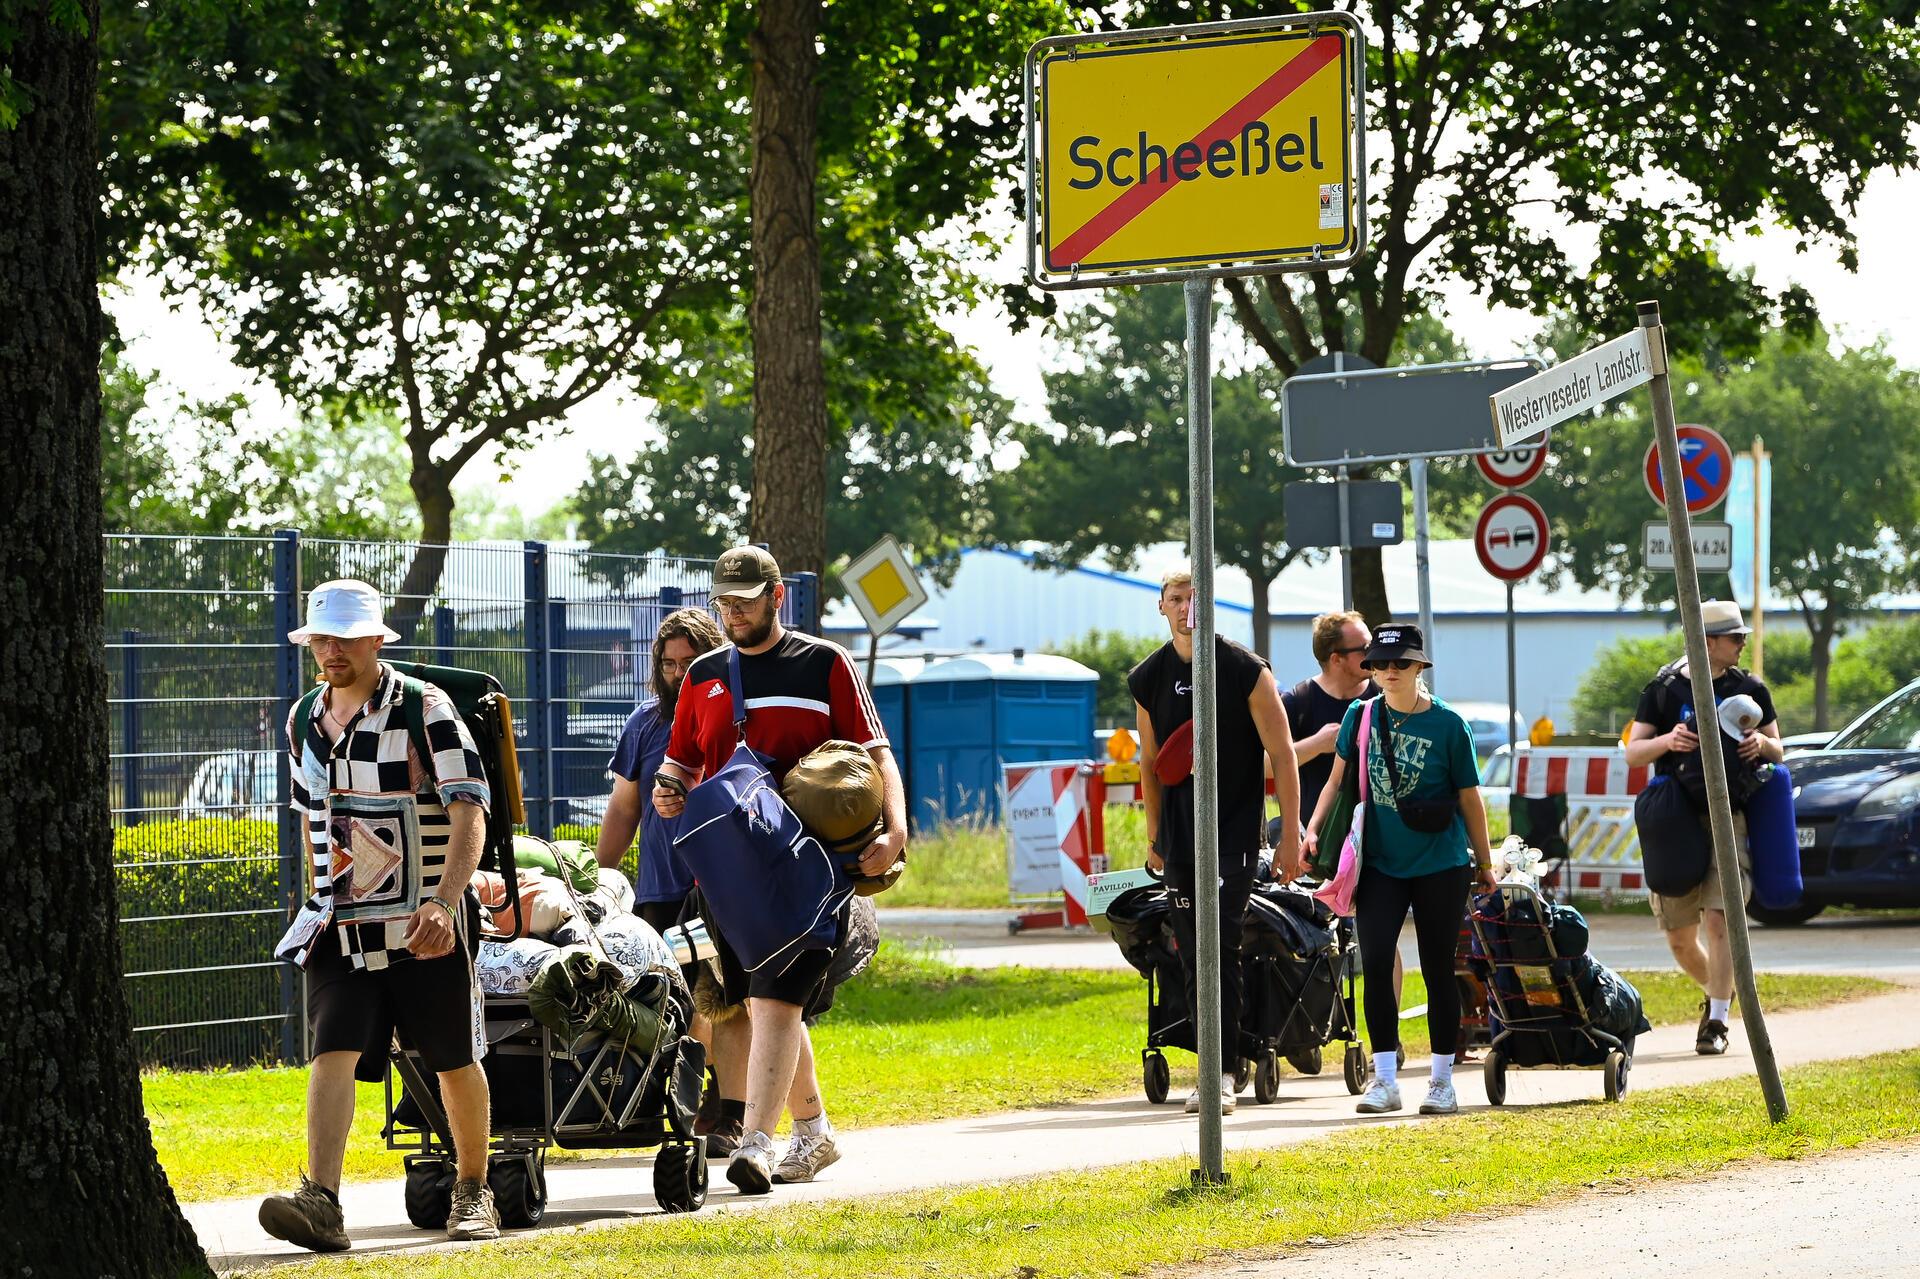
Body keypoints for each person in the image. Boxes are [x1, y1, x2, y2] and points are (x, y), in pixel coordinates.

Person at [651, 546, 907, 1195]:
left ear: (776, 597)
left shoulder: (825, 663)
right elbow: (680, 760)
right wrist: (667, 786)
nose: (733, 612)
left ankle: (758, 1144)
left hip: (809, 874)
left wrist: (897, 831)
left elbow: (878, 755)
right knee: (765, 1002)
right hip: (728, 875)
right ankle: (814, 1130)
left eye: (744, 599)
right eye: (724, 601)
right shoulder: (704, 675)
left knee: (774, 995)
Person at [259, 580, 499, 1251]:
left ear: (375, 639)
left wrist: (444, 903)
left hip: (423, 924)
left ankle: (475, 1191)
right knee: (330, 1048)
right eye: (320, 639)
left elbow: (468, 811)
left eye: (343, 638)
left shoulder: (427, 709)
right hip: (338, 921)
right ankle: (322, 1200)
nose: (330, 651)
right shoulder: (305, 715)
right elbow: (313, 815)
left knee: (452, 1057)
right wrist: (315, 901)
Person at [1302, 622, 1496, 1118]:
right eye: (1381, 664)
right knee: (1375, 961)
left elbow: (1470, 799)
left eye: (1400, 664)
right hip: (1380, 863)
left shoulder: (1449, 725)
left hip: (1442, 863)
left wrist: (1484, 862)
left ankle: (1441, 1081)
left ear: (1418, 667)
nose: (1389, 672)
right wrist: (1314, 827)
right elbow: (1336, 781)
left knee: (1436, 969)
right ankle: (1384, 1079)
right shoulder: (1360, 716)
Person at [1130, 569, 1300, 1116]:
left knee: (1220, 947)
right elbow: (1151, 765)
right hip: (1179, 838)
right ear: (1161, 607)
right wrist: (1155, 836)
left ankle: (1221, 1073)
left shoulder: (1244, 669)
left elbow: (1284, 754)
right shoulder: (1149, 677)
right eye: (1176, 600)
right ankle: (1217, 1061)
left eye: (1195, 600)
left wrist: (1291, 833)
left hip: (1233, 835)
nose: (1186, 610)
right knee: (1189, 950)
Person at [594, 608, 736, 1147]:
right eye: (668, 663)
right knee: (666, 1000)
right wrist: (599, 882)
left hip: (716, 892)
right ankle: (662, 1107)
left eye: (689, 662)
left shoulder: (731, 716)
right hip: (658, 892)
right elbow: (624, 809)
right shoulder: (645, 724)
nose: (678, 673)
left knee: (715, 997)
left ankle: (723, 1112)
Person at [1624, 600, 1783, 1056]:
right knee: (1678, 937)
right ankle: (1723, 992)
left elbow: (1780, 749)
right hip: (1674, 819)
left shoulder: (1750, 687)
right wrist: (1667, 741)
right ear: (1707, 641)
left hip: (1727, 814)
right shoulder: (1664, 688)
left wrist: (1761, 744)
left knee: (1721, 918)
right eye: (1735, 637)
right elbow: (1634, 753)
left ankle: (1715, 1020)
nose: (1742, 644)